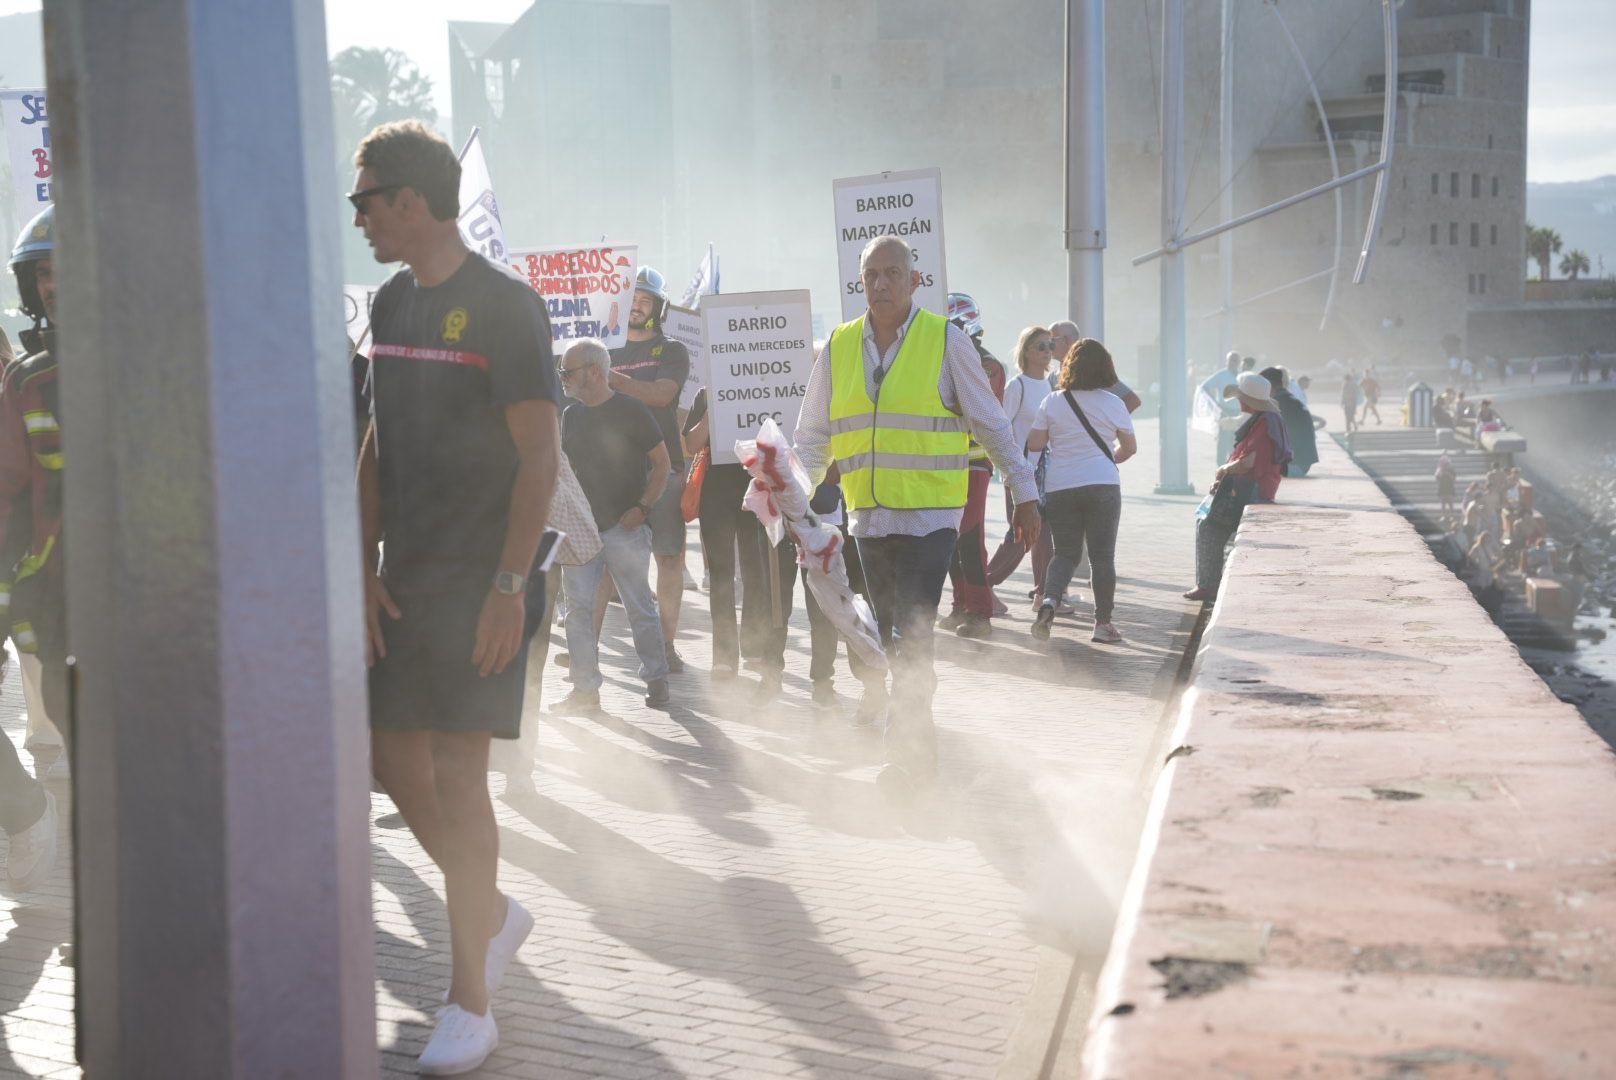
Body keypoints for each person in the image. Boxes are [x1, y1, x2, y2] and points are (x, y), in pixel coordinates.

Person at [353, 120, 559, 1074]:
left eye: (368, 202)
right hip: (401, 583)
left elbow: (540, 458)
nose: (358, 220)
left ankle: (469, 1001)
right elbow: (373, 447)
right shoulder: (389, 305)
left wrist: (509, 589)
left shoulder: (508, 309)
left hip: (486, 583)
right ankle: (499, 913)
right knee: (391, 765)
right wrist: (360, 570)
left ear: (412, 202)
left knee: (461, 777)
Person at [792, 236, 1040, 795]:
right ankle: (913, 753)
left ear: (914, 281)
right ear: (860, 282)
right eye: (870, 275)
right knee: (889, 641)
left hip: (931, 521)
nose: (880, 284)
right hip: (869, 523)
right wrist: (793, 502)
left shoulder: (946, 341)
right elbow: (812, 435)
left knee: (911, 636)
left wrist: (1025, 491)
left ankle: (905, 761)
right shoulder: (837, 346)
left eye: (891, 273)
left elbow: (991, 423)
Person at [0, 206, 66, 893]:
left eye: (66, 269)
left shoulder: (161, 364)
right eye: (43, 272)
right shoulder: (28, 380)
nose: (53, 285)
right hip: (56, 591)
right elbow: (8, 495)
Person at [553, 338, 672, 713]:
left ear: (593, 371)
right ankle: (585, 691)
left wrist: (643, 507)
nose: (563, 379)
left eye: (567, 371)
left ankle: (656, 677)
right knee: (578, 612)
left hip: (626, 528)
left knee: (639, 606)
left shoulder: (632, 411)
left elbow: (663, 465)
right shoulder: (570, 416)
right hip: (582, 532)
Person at [682, 388, 798, 700]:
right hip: (717, 495)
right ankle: (723, 657)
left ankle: (754, 647)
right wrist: (712, 410)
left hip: (758, 491)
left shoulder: (769, 387)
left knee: (756, 572)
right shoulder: (705, 394)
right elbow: (690, 444)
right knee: (721, 576)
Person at [607, 267, 691, 673]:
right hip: (612, 470)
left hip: (665, 470)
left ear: (659, 307)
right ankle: (586, 642)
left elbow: (661, 396)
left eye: (644, 299)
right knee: (606, 559)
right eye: (630, 298)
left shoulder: (671, 350)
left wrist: (610, 380)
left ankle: (667, 645)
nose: (636, 306)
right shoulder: (602, 348)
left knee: (670, 557)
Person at [1026, 339, 1136, 643]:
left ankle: (1049, 601)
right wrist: (1104, 458)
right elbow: (1129, 449)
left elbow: (1035, 444)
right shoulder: (1113, 404)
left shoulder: (1052, 401)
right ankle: (1102, 624)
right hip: (1102, 484)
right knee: (1102, 556)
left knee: (1065, 554)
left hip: (1062, 486)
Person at [1183, 371, 1291, 602]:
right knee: (1207, 522)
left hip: (1253, 491)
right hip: (1253, 487)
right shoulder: (1266, 418)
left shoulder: (1264, 423)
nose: (1239, 402)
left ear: (1248, 400)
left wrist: (1223, 470)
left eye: (1241, 398)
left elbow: (1249, 462)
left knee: (1208, 527)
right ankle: (1209, 583)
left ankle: (1207, 585)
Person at [940, 292, 1004, 639]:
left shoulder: (988, 365)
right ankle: (960, 604)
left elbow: (974, 408)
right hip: (944, 462)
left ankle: (980, 611)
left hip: (975, 464)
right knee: (948, 539)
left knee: (969, 537)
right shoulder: (943, 357)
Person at [986, 326, 1057, 607]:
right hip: (1020, 472)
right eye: (1041, 346)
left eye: (1050, 345)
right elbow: (1001, 427)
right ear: (1026, 350)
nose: (1047, 351)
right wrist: (1008, 470)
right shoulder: (1018, 386)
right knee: (1020, 536)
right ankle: (984, 584)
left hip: (1048, 472)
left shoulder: (1052, 385)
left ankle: (1043, 593)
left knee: (1045, 535)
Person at [1260, 366, 1318, 478]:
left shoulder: (1279, 403)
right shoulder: (1288, 399)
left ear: (1270, 385)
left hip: (1295, 466)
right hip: (1301, 463)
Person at [1198, 351, 1244, 462]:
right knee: (1223, 440)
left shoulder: (1242, 376)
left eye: (1235, 360)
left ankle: (1233, 464)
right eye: (1231, 360)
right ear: (1227, 361)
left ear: (1239, 363)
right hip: (1225, 411)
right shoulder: (1221, 375)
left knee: (1235, 440)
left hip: (1238, 412)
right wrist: (1215, 403)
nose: (1233, 363)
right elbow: (1204, 387)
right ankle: (1220, 465)